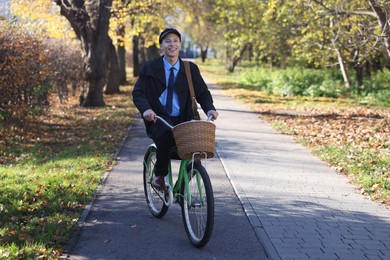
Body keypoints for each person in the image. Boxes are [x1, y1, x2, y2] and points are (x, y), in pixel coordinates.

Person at [132, 28, 219, 191]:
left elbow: (202, 92)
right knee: (166, 135)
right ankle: (159, 176)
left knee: (196, 150)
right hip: (159, 118)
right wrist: (146, 110)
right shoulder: (150, 67)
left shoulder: (190, 68)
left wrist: (210, 109)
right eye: (168, 41)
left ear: (179, 44)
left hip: (184, 117)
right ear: (162, 46)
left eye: (175, 40)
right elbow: (138, 93)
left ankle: (180, 189)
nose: (172, 44)